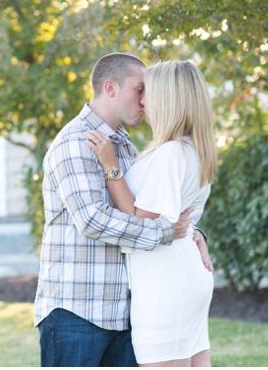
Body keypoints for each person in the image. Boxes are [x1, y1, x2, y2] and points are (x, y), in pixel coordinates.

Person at [34, 52, 211, 367]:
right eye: (139, 90)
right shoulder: (76, 142)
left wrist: (191, 233)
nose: (145, 101)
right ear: (111, 88)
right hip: (78, 310)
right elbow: (92, 219)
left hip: (122, 309)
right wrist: (167, 233)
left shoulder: (125, 147)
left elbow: (155, 208)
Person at [85, 60, 216, 366]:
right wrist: (196, 233)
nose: (142, 100)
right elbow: (172, 218)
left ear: (169, 100)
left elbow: (140, 222)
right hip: (181, 276)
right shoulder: (191, 148)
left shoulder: (171, 153)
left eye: (148, 93)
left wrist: (110, 166)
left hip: (165, 285)